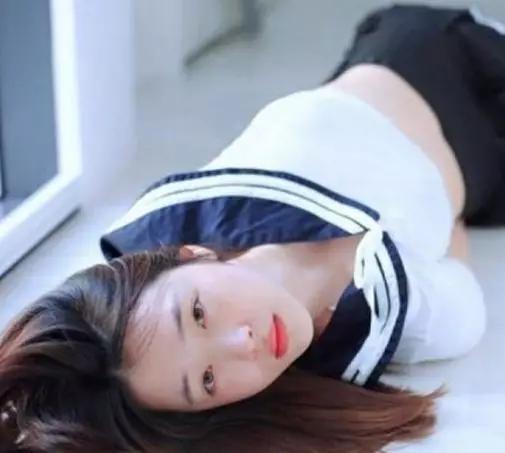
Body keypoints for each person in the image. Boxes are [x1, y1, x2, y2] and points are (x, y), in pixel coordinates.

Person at [1, 4, 504, 452]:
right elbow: (462, 309)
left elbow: (437, 233)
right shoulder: (355, 342)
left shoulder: (239, 194)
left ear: (190, 252)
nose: (243, 343)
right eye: (207, 380)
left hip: (441, 60)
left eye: (198, 313)